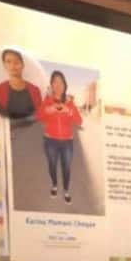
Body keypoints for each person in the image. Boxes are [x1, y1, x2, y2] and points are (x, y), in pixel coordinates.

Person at [36, 71, 82, 204]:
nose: (58, 84)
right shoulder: (47, 101)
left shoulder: (70, 102)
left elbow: (79, 121)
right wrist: (47, 110)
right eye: (55, 81)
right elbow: (39, 116)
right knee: (52, 165)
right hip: (50, 141)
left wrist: (70, 111)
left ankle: (66, 190)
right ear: (51, 85)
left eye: (60, 82)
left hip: (67, 142)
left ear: (64, 85)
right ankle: (54, 185)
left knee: (66, 167)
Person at [0, 48, 42, 119]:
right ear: (4, 64)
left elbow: (40, 116)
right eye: (8, 62)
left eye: (16, 62)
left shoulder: (35, 90)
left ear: (22, 64)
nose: (12, 66)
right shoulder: (0, 89)